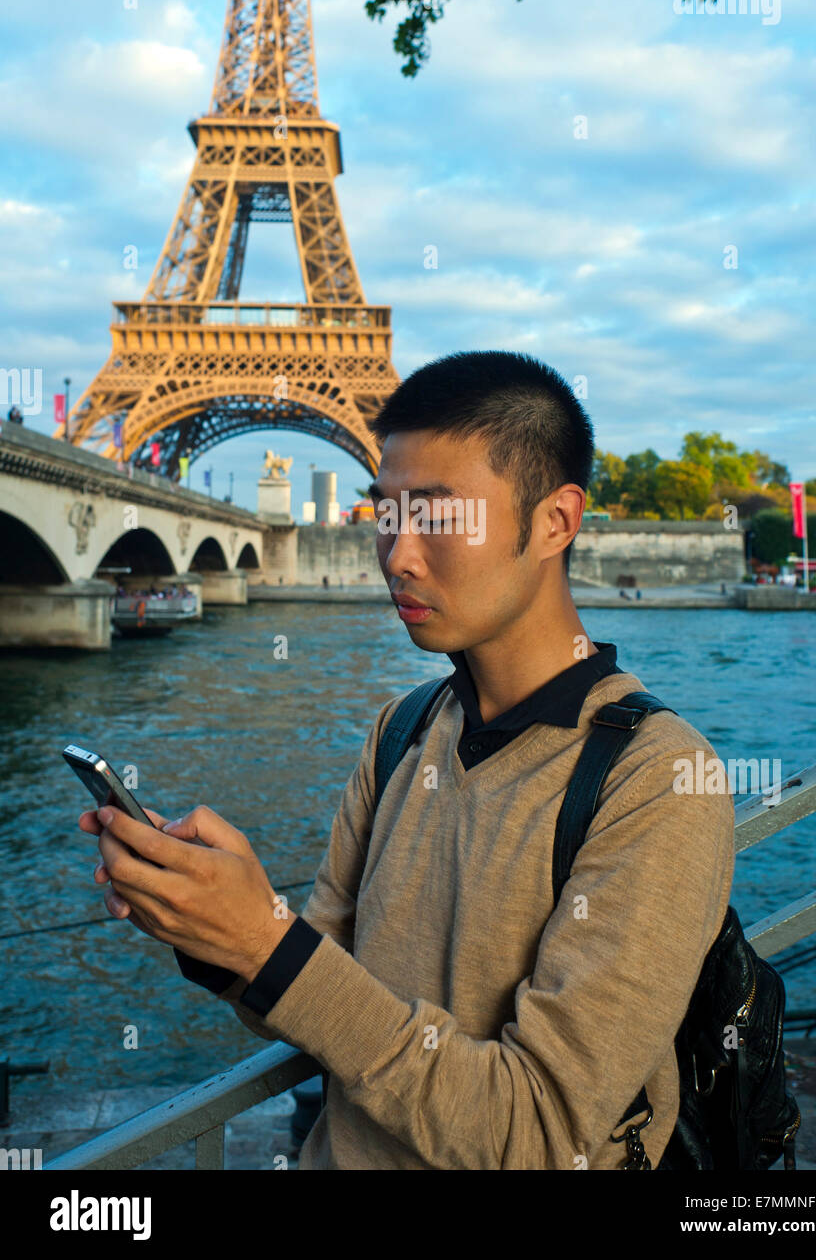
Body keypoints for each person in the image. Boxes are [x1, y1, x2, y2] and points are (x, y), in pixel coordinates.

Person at [80, 350, 734, 1170]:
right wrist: (210, 925)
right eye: (385, 514)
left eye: (437, 517)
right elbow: (310, 993)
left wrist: (264, 944)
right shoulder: (400, 729)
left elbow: (538, 1137)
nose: (396, 555)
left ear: (555, 522)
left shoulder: (660, 780)